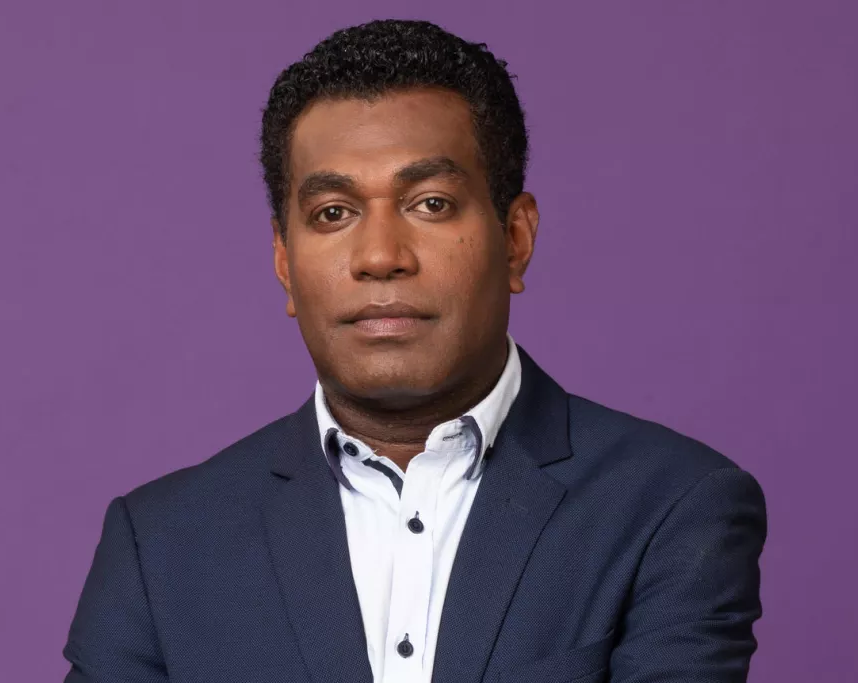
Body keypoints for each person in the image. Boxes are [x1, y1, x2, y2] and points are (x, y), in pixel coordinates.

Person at [63, 19, 767, 683]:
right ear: (284, 261)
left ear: (515, 238)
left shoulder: (670, 504)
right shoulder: (160, 543)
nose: (380, 256)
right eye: (333, 213)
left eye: (430, 203)